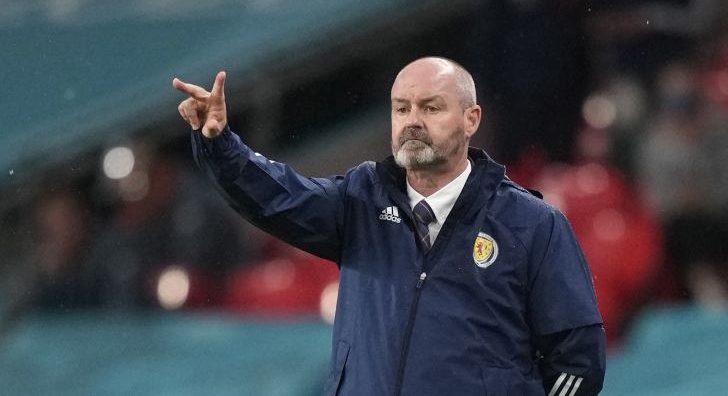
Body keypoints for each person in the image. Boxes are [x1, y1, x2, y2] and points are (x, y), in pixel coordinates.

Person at [173, 57, 606, 395]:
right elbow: (276, 196)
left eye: (431, 107)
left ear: (471, 119)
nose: (412, 120)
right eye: (402, 108)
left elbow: (578, 361)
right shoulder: (361, 201)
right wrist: (220, 144)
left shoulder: (531, 225)